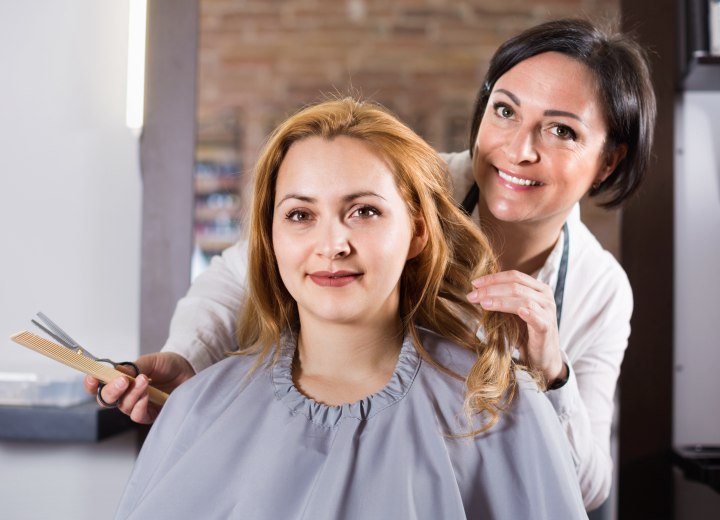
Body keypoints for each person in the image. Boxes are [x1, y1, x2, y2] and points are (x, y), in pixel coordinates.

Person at [90, 18, 656, 512]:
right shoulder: (405, 181)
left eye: (561, 130)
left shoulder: (599, 289)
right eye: (504, 111)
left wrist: (551, 373)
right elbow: (238, 277)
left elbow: (580, 487)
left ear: (609, 159)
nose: (519, 148)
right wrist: (190, 361)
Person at [113, 98, 586, 519]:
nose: (332, 244)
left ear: (418, 232)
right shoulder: (199, 408)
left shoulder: (499, 409)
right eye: (301, 215)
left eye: (364, 211)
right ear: (270, 237)